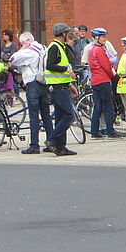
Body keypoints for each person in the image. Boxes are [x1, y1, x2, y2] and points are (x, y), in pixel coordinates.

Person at [9, 32, 52, 154]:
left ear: (24, 42)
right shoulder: (44, 48)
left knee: (34, 115)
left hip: (32, 84)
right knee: (46, 114)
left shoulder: (27, 51)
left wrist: (22, 49)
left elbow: (12, 59)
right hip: (44, 81)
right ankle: (51, 141)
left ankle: (34, 145)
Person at [44, 23, 78, 156]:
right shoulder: (54, 47)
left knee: (60, 116)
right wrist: (66, 70)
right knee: (69, 114)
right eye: (66, 33)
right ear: (62, 34)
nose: (67, 35)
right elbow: (50, 65)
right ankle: (52, 139)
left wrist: (70, 85)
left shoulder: (60, 47)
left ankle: (61, 147)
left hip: (62, 85)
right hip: (57, 87)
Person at [86, 27, 122, 139]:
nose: (105, 39)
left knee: (97, 106)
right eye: (103, 37)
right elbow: (106, 66)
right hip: (103, 80)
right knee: (108, 106)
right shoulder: (99, 50)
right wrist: (113, 76)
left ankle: (94, 131)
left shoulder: (91, 50)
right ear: (96, 38)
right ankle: (110, 131)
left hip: (95, 81)